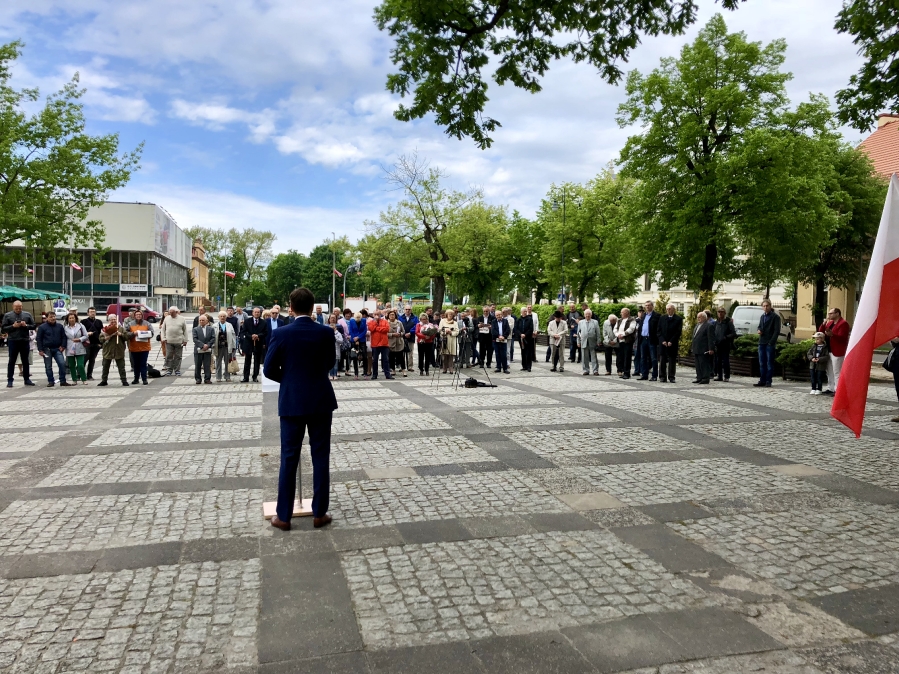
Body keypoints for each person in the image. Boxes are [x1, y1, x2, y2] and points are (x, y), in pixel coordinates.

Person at [264, 287, 336, 531]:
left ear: (291, 308)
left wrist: (289, 380)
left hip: (292, 400)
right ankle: (319, 513)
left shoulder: (281, 333)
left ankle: (284, 516)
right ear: (312, 307)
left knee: (289, 457)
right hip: (320, 399)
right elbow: (330, 363)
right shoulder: (325, 332)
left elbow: (268, 369)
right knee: (321, 456)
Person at [2, 300, 36, 387]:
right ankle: (10, 380)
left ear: (22, 307)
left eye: (20, 308)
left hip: (24, 340)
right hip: (13, 340)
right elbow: (3, 328)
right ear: (13, 307)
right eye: (16, 308)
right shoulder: (8, 315)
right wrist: (13, 326)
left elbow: (34, 326)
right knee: (12, 361)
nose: (18, 310)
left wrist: (26, 325)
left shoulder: (27, 315)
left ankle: (27, 379)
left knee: (25, 361)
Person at [819, 308, 850, 396]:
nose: (829, 315)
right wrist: (823, 324)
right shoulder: (830, 323)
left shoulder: (843, 323)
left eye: (831, 313)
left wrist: (832, 335)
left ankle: (838, 390)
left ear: (837, 314)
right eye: (829, 313)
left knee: (837, 371)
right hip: (829, 350)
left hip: (837, 350)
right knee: (829, 371)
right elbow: (821, 332)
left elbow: (843, 338)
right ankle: (831, 388)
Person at [36, 311, 69, 387]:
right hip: (46, 349)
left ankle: (63, 381)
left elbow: (64, 337)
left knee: (62, 364)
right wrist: (40, 350)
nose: (53, 318)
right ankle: (51, 381)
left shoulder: (59, 326)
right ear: (47, 318)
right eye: (51, 317)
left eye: (54, 316)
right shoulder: (42, 327)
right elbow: (39, 339)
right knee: (48, 366)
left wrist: (63, 346)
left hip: (57, 349)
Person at [755, 299, 781, 388]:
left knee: (769, 362)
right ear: (762, 307)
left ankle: (768, 381)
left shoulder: (775, 317)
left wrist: (771, 342)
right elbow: (759, 326)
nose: (765, 307)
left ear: (770, 306)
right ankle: (762, 380)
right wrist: (759, 330)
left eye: (767, 306)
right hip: (762, 342)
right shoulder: (762, 316)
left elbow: (776, 331)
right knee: (762, 362)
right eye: (764, 306)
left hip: (769, 343)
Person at [97, 315, 129, 387]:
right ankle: (104, 380)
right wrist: (105, 338)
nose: (113, 321)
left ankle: (124, 380)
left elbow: (127, 337)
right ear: (109, 321)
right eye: (112, 320)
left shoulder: (121, 328)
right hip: (108, 351)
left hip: (119, 350)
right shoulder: (105, 329)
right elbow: (100, 339)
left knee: (121, 367)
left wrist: (121, 334)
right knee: (105, 367)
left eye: (115, 319)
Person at [240, 307, 269, 383]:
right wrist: (251, 336)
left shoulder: (263, 322)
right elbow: (244, 332)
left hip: (258, 343)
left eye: (258, 312)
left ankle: (255, 376)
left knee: (257, 361)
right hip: (248, 343)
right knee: (247, 361)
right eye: (255, 312)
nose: (256, 313)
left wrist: (258, 335)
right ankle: (246, 377)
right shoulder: (247, 321)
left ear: (260, 313)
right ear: (252, 313)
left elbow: (265, 332)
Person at [657, 304, 683, 383]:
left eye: (670, 309)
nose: (668, 310)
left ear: (673, 309)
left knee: (672, 360)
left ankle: (671, 376)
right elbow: (658, 331)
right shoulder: (662, 318)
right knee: (662, 360)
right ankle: (662, 376)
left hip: (673, 342)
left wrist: (671, 341)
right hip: (663, 342)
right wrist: (662, 340)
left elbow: (678, 332)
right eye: (667, 309)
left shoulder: (678, 319)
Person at [161, 307, 189, 376]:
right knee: (168, 356)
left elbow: (185, 330)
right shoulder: (166, 318)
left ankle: (177, 370)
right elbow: (163, 329)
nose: (170, 313)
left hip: (179, 341)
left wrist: (185, 340)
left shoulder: (182, 319)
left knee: (178, 356)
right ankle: (169, 370)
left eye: (172, 312)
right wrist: (163, 338)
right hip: (168, 341)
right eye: (170, 312)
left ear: (176, 312)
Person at [127, 310, 153, 385]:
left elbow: (152, 333)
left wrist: (146, 334)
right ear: (134, 316)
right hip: (134, 347)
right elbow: (126, 333)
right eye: (137, 314)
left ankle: (144, 379)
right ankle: (136, 379)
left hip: (144, 347)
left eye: (140, 314)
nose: (138, 316)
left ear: (142, 315)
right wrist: (133, 333)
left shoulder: (147, 323)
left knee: (143, 364)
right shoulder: (130, 324)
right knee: (136, 364)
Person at [63, 312, 89, 385]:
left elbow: (86, 336)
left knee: (80, 365)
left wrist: (80, 339)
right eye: (70, 318)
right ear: (68, 319)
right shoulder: (65, 327)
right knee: (71, 365)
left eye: (73, 318)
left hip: (79, 346)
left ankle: (84, 379)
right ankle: (74, 380)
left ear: (76, 318)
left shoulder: (80, 326)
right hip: (70, 347)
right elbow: (63, 337)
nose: (72, 319)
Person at [713, 307, 737, 382]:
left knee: (725, 361)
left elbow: (733, 333)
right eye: (719, 312)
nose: (720, 313)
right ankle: (719, 376)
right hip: (718, 344)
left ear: (725, 313)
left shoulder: (728, 322)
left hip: (725, 344)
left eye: (722, 312)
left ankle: (726, 376)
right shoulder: (716, 322)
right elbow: (714, 332)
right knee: (718, 361)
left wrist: (725, 337)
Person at [637, 301, 660, 381]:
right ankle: (644, 374)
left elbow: (658, 328)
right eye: (646, 305)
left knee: (653, 358)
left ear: (652, 306)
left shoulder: (656, 316)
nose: (647, 307)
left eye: (649, 305)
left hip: (651, 339)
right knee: (643, 358)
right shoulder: (643, 315)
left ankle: (654, 375)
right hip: (643, 338)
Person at [691, 311, 715, 384]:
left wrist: (711, 348)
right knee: (698, 365)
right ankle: (699, 377)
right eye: (697, 317)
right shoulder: (697, 325)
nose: (698, 319)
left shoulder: (709, 325)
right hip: (697, 348)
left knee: (704, 364)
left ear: (704, 317)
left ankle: (705, 378)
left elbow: (711, 338)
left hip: (704, 348)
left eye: (699, 317)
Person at [81, 307, 104, 381]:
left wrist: (101, 343)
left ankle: (89, 375)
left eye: (94, 311)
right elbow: (80, 332)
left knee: (92, 360)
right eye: (91, 312)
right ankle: (80, 374)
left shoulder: (99, 322)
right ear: (88, 313)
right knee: (85, 359)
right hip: (86, 343)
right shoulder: (83, 321)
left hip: (96, 344)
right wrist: (87, 333)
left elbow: (101, 333)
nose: (92, 313)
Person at [213, 311, 237, 382]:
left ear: (226, 317)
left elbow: (233, 336)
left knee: (227, 362)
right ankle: (218, 377)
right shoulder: (214, 325)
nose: (222, 317)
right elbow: (212, 336)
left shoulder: (229, 325)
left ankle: (227, 376)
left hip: (227, 346)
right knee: (218, 362)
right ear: (218, 317)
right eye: (221, 316)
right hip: (218, 346)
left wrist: (233, 346)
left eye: (224, 316)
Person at [577, 309, 600, 375]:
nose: (587, 315)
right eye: (586, 314)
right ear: (584, 315)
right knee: (584, 357)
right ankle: (586, 370)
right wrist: (578, 342)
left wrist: (598, 340)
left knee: (594, 357)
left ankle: (595, 370)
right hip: (583, 341)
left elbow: (598, 332)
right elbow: (578, 333)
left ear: (591, 315)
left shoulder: (595, 322)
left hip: (592, 341)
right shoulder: (581, 322)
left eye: (589, 314)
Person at [615, 308, 637, 379]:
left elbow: (631, 329)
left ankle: (627, 373)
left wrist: (623, 334)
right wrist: (617, 335)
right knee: (621, 356)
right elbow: (615, 329)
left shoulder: (632, 320)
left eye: (622, 312)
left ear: (627, 313)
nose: (621, 313)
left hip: (627, 340)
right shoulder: (619, 320)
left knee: (627, 357)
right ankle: (623, 371)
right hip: (620, 340)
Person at [193, 314, 215, 384]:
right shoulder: (195, 329)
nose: (201, 321)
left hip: (207, 349)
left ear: (207, 321)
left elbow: (213, 338)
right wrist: (202, 345)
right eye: (200, 320)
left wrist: (208, 345)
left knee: (207, 365)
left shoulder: (211, 329)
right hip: (198, 349)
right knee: (198, 365)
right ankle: (198, 379)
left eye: (203, 320)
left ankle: (207, 379)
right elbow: (195, 339)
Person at [347, 312, 368, 379]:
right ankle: (356, 374)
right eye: (357, 319)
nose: (358, 320)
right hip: (354, 340)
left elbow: (365, 330)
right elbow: (351, 331)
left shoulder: (364, 320)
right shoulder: (351, 321)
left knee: (364, 356)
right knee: (355, 357)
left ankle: (365, 373)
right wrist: (355, 339)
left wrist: (358, 337)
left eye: (359, 319)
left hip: (362, 340)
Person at [398, 306, 419, 373]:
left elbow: (416, 326)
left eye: (409, 309)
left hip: (411, 336)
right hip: (402, 337)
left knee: (410, 352)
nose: (407, 310)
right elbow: (398, 327)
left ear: (411, 310)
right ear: (404, 310)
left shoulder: (415, 318)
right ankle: (402, 367)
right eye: (406, 309)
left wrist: (410, 332)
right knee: (401, 352)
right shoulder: (400, 318)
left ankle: (410, 366)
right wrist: (403, 333)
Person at [491, 308, 511, 374]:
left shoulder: (505, 321)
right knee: (497, 354)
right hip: (496, 340)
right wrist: (499, 336)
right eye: (497, 315)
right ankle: (498, 367)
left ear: (501, 315)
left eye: (499, 315)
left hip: (503, 340)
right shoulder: (493, 321)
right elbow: (493, 331)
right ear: (495, 316)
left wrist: (504, 336)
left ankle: (505, 368)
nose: (499, 316)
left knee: (503, 354)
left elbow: (508, 330)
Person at [515, 307, 536, 372]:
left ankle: (529, 366)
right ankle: (524, 366)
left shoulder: (529, 319)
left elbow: (531, 328)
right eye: (524, 311)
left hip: (528, 338)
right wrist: (520, 334)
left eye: (526, 311)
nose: (525, 312)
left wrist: (525, 334)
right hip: (521, 338)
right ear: (521, 312)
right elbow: (516, 328)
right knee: (523, 352)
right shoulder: (518, 319)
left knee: (528, 352)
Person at [387, 310, 406, 376]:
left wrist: (400, 334)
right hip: (391, 342)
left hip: (399, 342)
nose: (392, 316)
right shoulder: (386, 323)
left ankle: (403, 370)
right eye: (390, 315)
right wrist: (392, 334)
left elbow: (403, 331)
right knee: (391, 357)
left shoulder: (399, 322)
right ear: (388, 316)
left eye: (393, 315)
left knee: (401, 357)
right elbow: (385, 333)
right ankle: (393, 370)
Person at [327, 313, 344, 380]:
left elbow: (341, 341)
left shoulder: (338, 333)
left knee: (336, 364)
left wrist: (335, 337)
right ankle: (331, 375)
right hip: (329, 351)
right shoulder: (327, 332)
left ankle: (335, 374)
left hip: (336, 350)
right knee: (330, 364)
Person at [632, 308, 645, 377]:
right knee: (636, 356)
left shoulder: (645, 320)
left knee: (643, 356)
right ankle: (637, 370)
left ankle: (643, 370)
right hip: (636, 340)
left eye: (642, 312)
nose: (641, 313)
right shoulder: (634, 320)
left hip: (643, 339)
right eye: (640, 312)